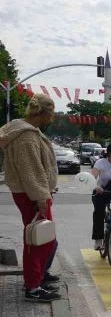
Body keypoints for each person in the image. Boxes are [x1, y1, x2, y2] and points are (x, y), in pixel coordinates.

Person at [0, 94, 60, 301]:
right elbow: (31, 172)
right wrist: (42, 199)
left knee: (36, 238)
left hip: (29, 193)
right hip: (33, 195)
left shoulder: (22, 130)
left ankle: (36, 279)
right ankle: (34, 287)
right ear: (43, 113)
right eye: (51, 114)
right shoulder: (26, 136)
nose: (52, 119)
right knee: (39, 241)